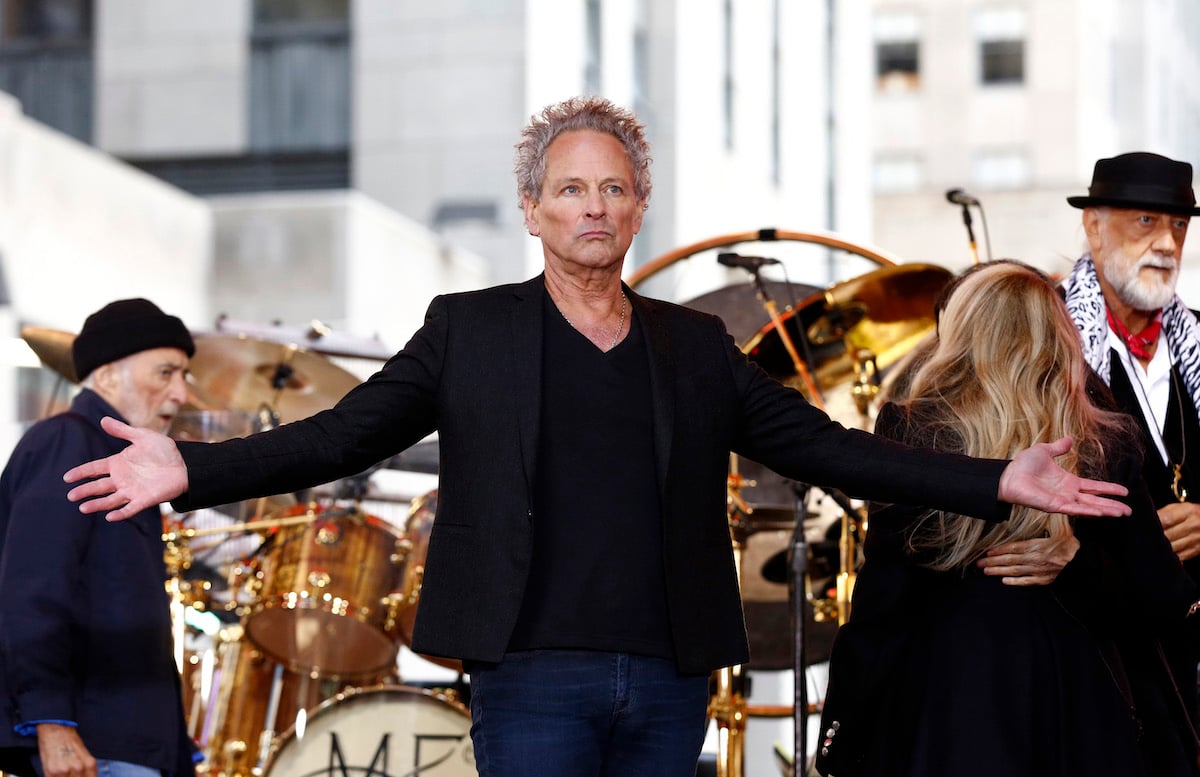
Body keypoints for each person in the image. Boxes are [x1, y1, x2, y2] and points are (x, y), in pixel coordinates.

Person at [63, 98, 1130, 777]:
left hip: (667, 679)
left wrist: (994, 477)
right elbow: (343, 435)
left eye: (614, 190)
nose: (594, 207)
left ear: (639, 209)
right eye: (571, 189)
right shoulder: (468, 331)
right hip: (530, 674)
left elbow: (828, 448)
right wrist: (193, 467)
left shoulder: (696, 348)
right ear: (532, 210)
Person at [816, 261, 1200, 777]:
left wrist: (843, 728)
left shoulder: (913, 428)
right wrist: (1079, 564)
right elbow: (1163, 601)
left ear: (961, 335)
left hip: (950, 701)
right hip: (1078, 706)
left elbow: (884, 601)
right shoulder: (1108, 440)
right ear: (1059, 336)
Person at [0, 299, 199, 777]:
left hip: (125, 742)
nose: (182, 393)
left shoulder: (121, 462)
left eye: (184, 376)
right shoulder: (69, 441)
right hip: (92, 743)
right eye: (166, 373)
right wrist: (50, 721)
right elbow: (33, 589)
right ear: (108, 376)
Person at [1061, 151, 1200, 718]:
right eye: (1145, 220)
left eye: (1178, 224)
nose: (1166, 243)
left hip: (1189, 650)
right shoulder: (1051, 340)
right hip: (1092, 646)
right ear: (1094, 226)